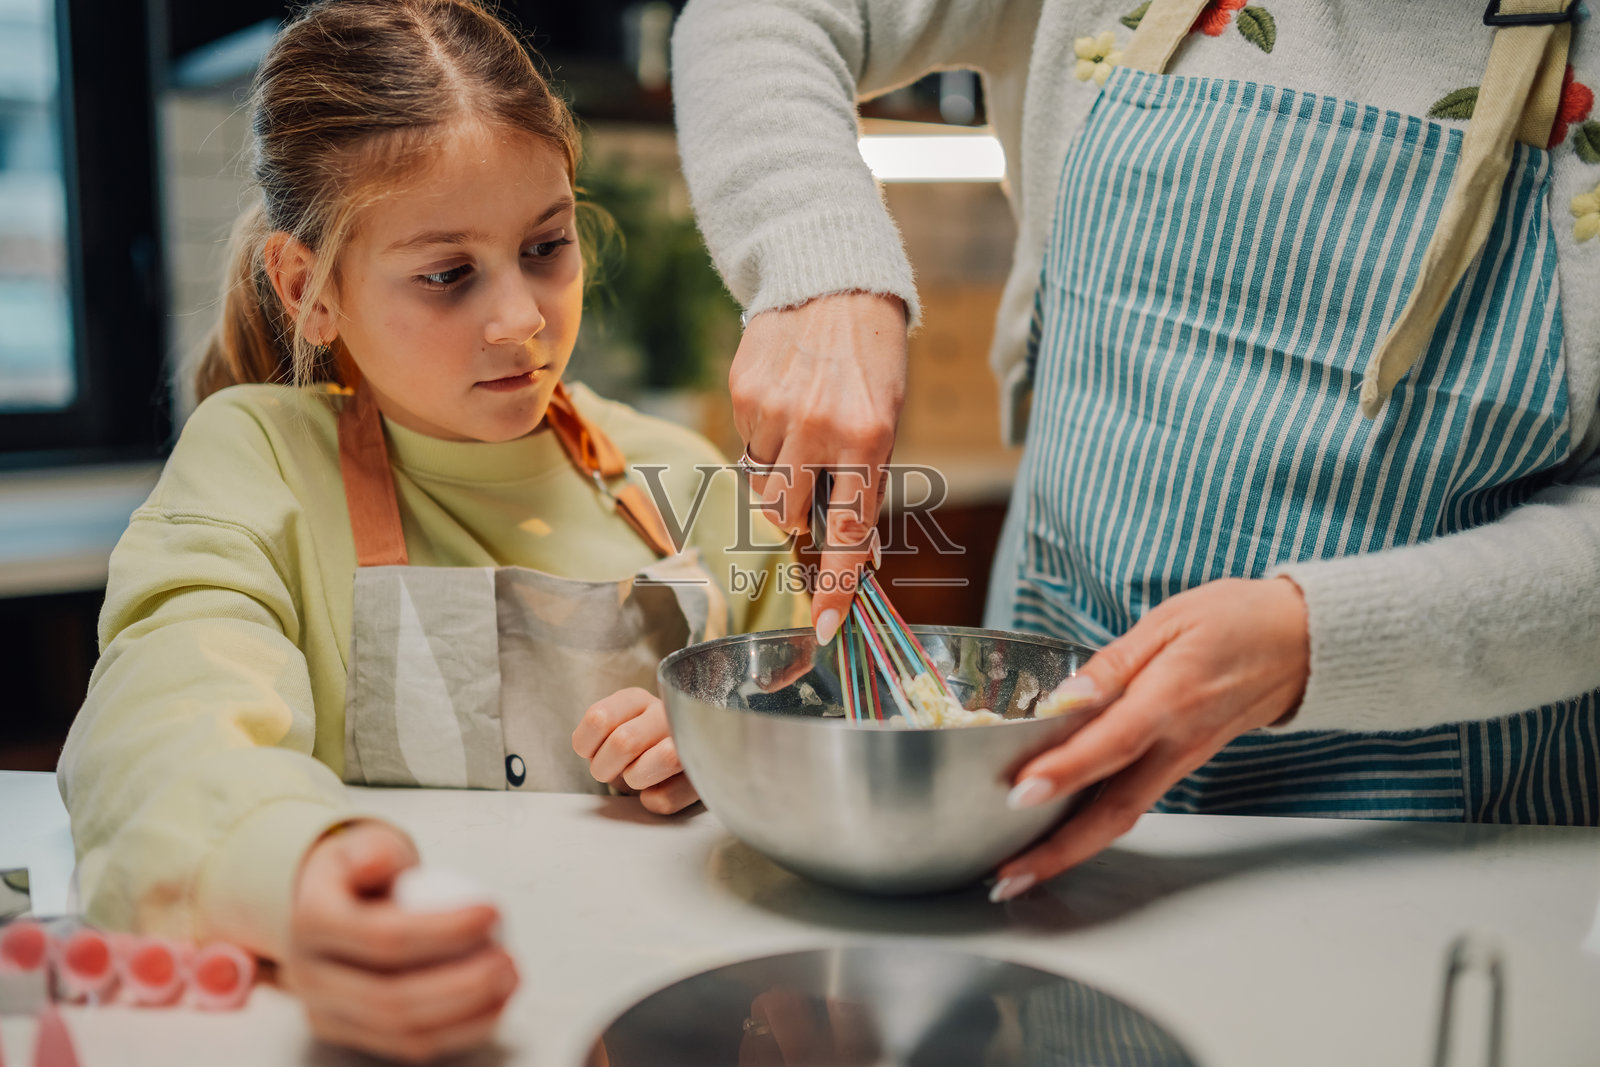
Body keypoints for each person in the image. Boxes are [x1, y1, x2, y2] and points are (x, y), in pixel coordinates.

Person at [672, 0, 1600, 900]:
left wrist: (1314, 642)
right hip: (1030, 803)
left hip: (1440, 853)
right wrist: (817, 267)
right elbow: (759, 17)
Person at [57, 0, 804, 1059]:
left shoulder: (686, 477)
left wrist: (729, 750)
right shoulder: (259, 458)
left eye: (545, 246)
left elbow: (831, 718)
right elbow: (160, 718)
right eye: (448, 273)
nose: (520, 318)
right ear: (305, 289)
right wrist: (295, 875)